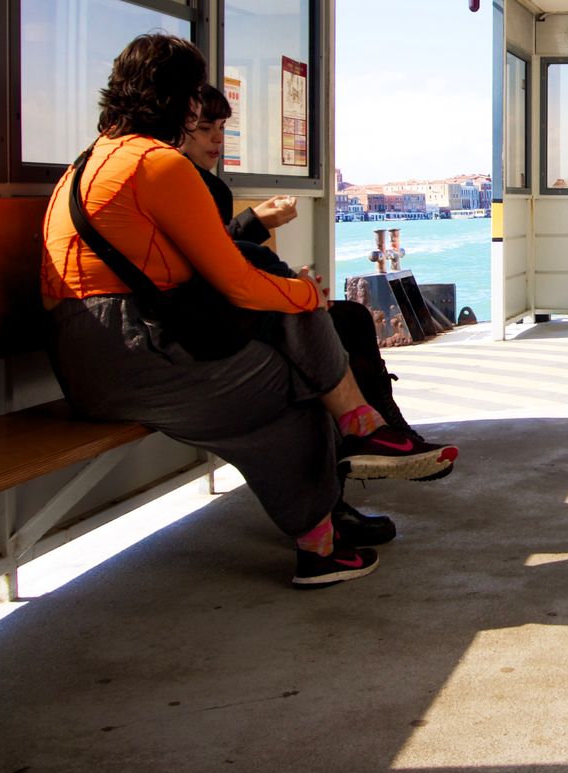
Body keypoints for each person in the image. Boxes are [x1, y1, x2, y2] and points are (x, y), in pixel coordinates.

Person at [42, 35, 448, 589]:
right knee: (295, 385)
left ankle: (347, 470)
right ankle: (331, 509)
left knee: (281, 314)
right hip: (137, 356)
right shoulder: (157, 165)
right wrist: (306, 295)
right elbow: (233, 281)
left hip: (83, 355)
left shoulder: (86, 164)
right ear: (180, 99)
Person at [175, 83, 459, 491]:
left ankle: (379, 432)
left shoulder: (196, 183)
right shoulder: (182, 182)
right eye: (205, 128)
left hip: (219, 314)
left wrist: (260, 238)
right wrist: (270, 250)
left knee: (349, 319)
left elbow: (214, 252)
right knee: (325, 335)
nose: (218, 138)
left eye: (221, 126)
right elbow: (209, 260)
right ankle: (364, 450)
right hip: (209, 329)